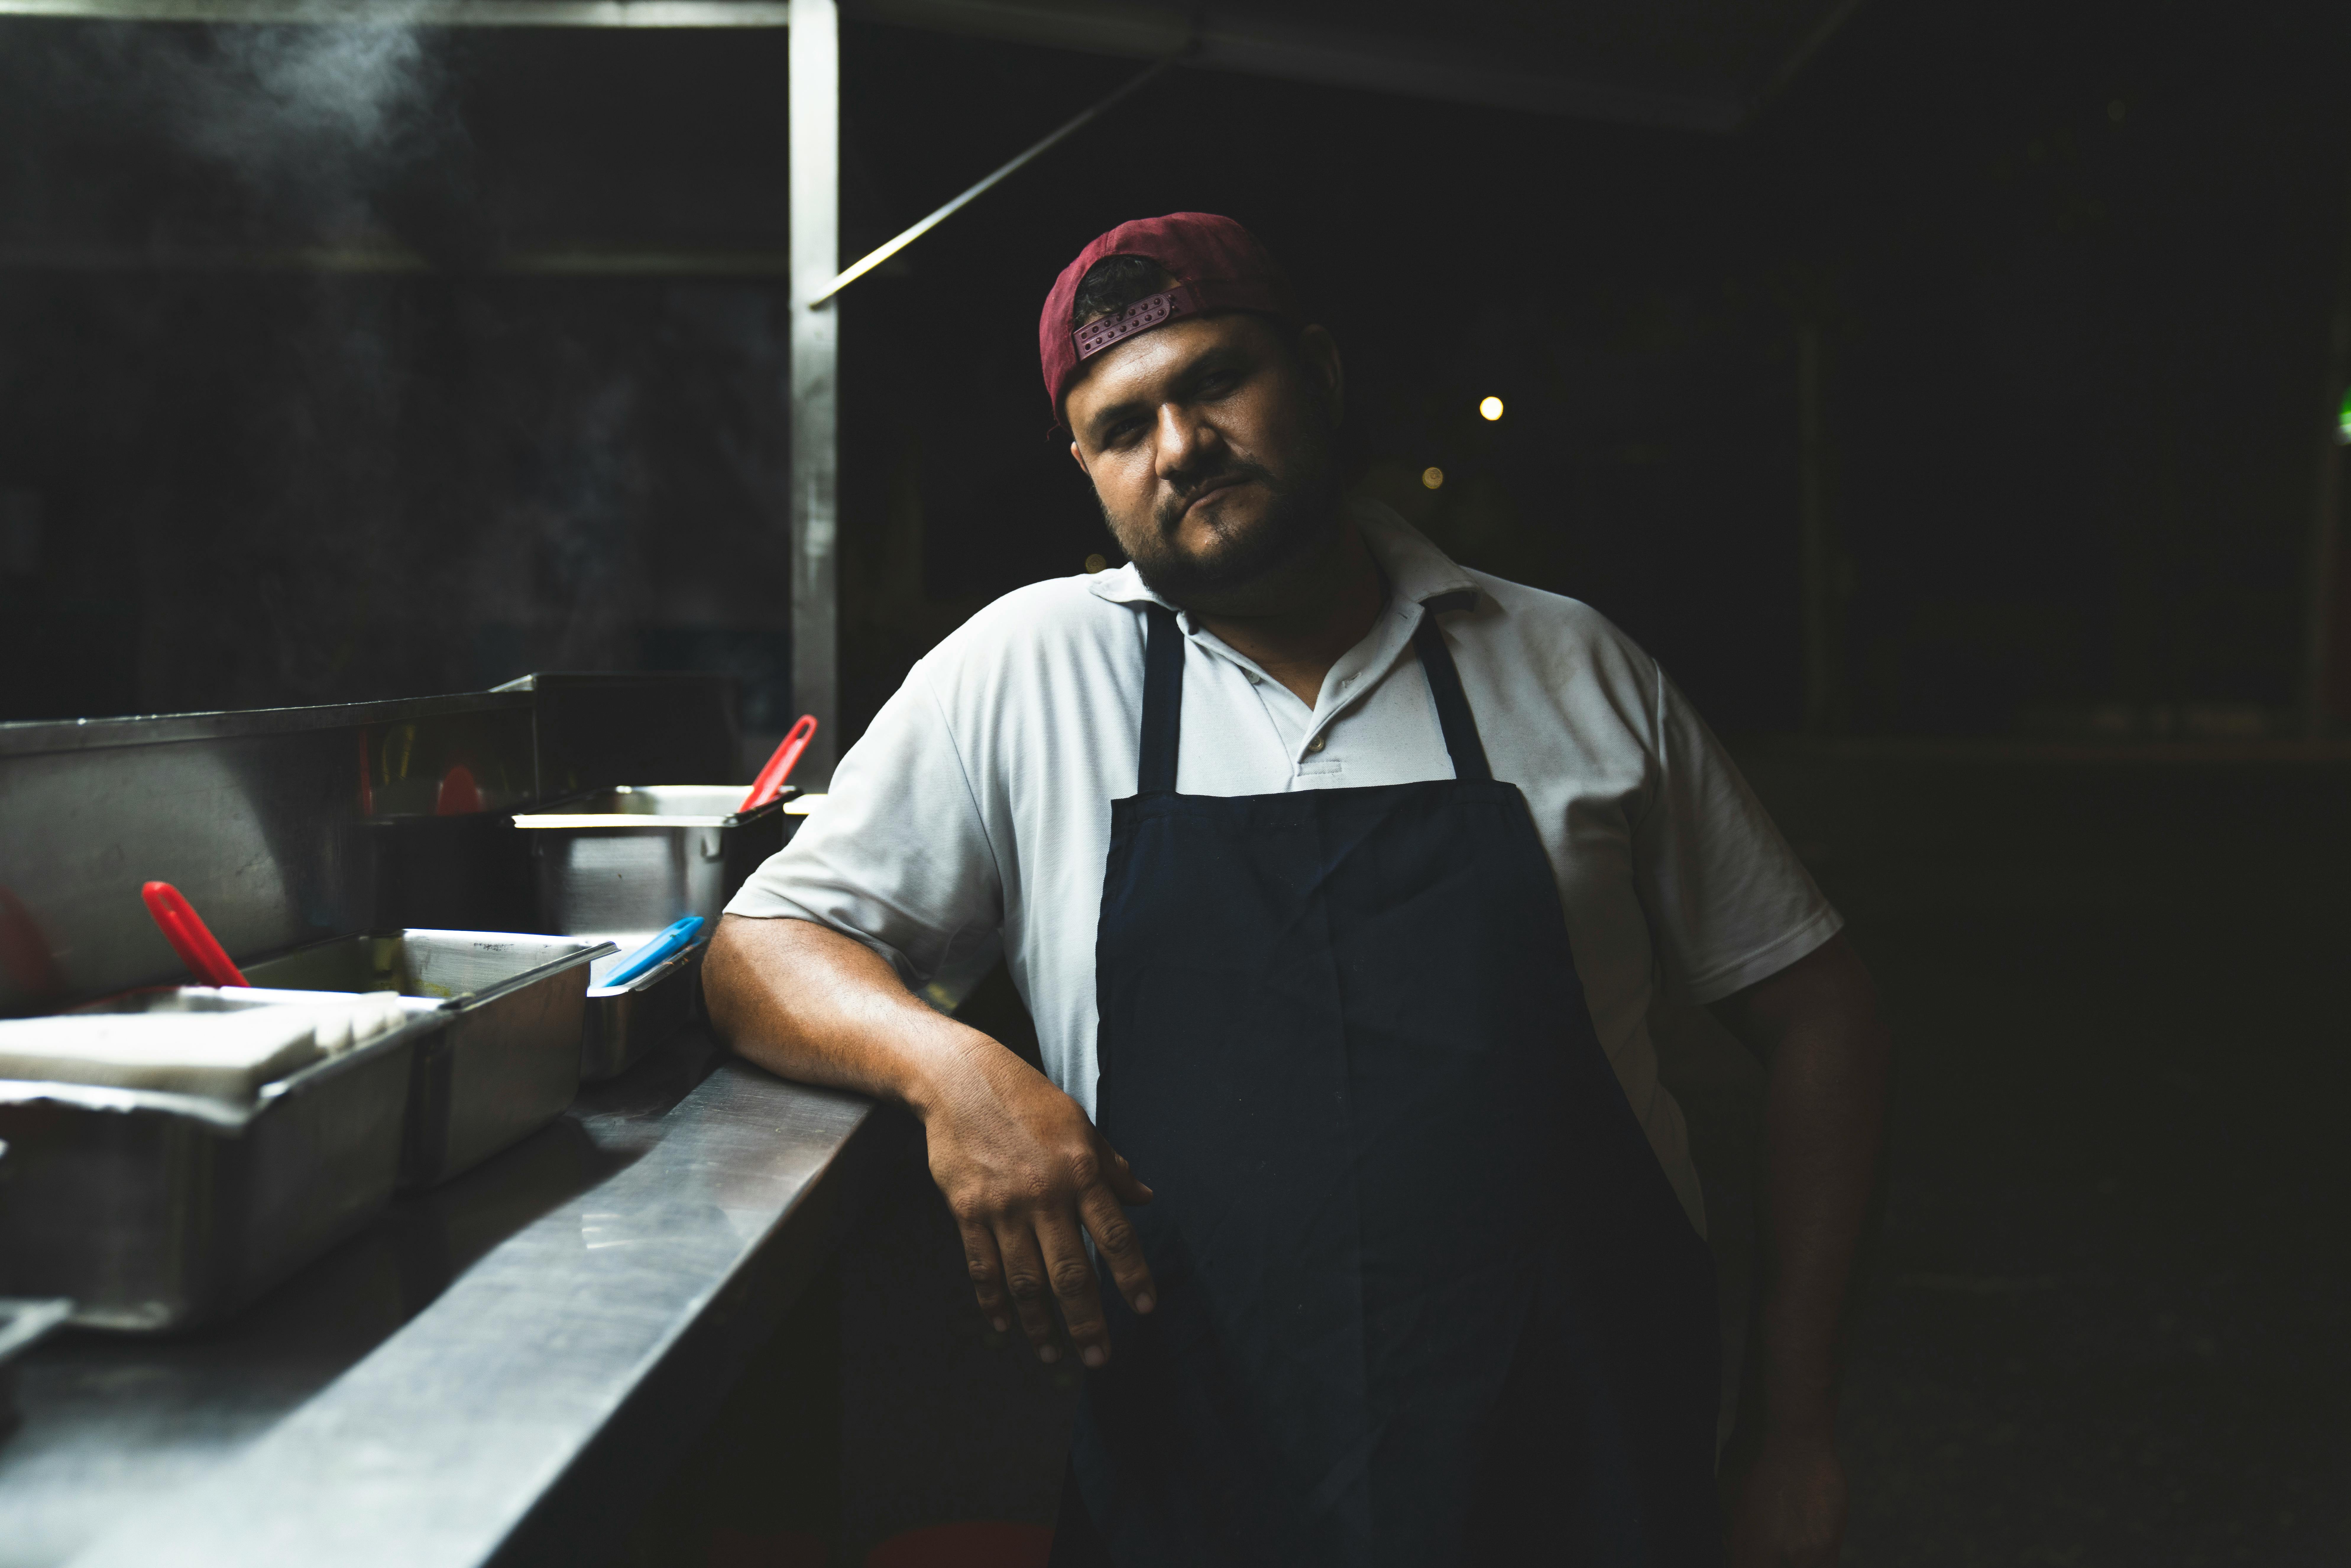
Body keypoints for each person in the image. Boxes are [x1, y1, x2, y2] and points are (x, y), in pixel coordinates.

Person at [706, 212, 1889, 1568]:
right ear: (1084, 466)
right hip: (1199, 1488)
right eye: (1121, 424)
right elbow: (761, 948)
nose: (1181, 446)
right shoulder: (1022, 676)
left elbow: (1823, 1019)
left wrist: (1796, 1430)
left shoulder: (1565, 662)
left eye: (1216, 381)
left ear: (1316, 372)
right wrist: (957, 1074)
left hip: (1585, 1475)